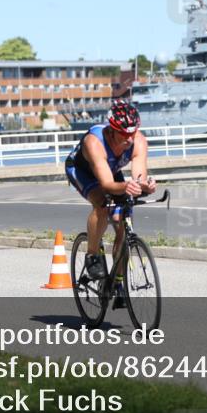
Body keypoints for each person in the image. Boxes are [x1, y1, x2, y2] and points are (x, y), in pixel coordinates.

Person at [65, 101, 156, 308]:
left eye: (133, 133)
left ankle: (117, 281)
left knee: (123, 218)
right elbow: (106, 184)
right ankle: (92, 255)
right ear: (112, 131)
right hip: (82, 171)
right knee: (102, 203)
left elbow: (139, 176)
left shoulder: (138, 141)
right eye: (124, 134)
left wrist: (145, 185)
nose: (129, 139)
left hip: (110, 169)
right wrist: (126, 186)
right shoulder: (94, 142)